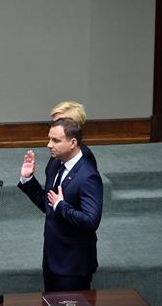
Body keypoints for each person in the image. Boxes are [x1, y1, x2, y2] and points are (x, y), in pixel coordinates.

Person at [18, 118, 103, 292]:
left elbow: (91, 221)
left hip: (73, 266)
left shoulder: (88, 176)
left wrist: (62, 205)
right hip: (51, 261)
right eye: (49, 139)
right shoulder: (55, 165)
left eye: (56, 140)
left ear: (73, 143)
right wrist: (28, 180)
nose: (49, 145)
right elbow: (49, 204)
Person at [50, 101, 97, 169]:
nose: (54, 126)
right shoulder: (58, 149)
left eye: (59, 123)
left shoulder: (85, 159)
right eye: (53, 122)